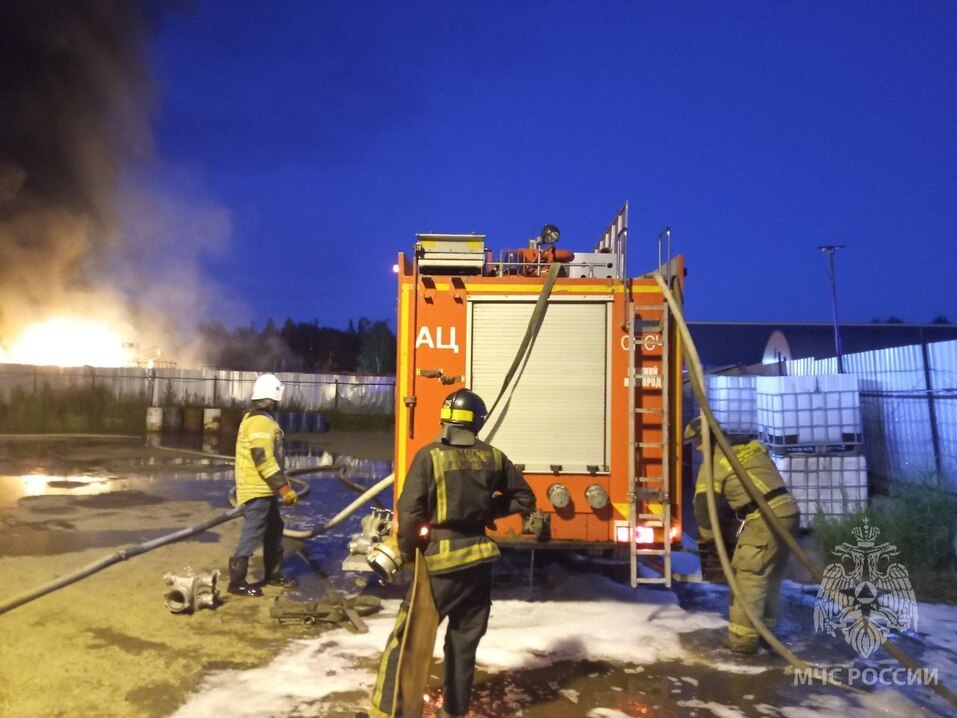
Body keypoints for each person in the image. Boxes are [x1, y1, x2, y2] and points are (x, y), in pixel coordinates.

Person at [371, 388, 536, 718]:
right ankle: (454, 713)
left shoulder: (429, 456)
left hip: (439, 567)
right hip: (479, 565)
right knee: (463, 648)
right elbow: (524, 498)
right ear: (477, 421)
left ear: (446, 419)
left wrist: (408, 551)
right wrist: (487, 509)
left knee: (404, 642)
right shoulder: (494, 457)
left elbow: (410, 510)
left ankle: (387, 713)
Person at [685, 416, 800, 654]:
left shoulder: (717, 460)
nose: (697, 448)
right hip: (789, 513)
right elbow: (749, 487)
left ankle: (742, 641)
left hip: (765, 520)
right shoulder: (749, 447)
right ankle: (765, 632)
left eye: (698, 441)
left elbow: (703, 505)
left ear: (709, 438)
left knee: (749, 577)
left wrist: (708, 537)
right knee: (770, 576)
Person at [227, 372, 299, 597]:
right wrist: (284, 488)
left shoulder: (257, 419)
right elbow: (263, 458)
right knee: (253, 532)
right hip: (257, 488)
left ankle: (273, 575)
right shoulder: (260, 422)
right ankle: (237, 582)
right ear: (273, 397)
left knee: (274, 528)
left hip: (263, 488)